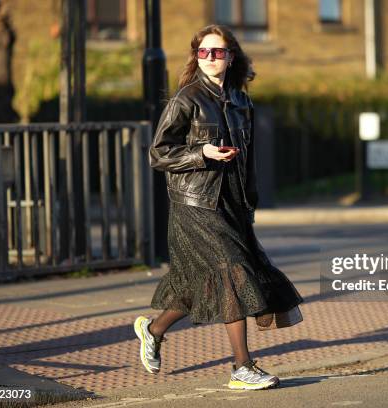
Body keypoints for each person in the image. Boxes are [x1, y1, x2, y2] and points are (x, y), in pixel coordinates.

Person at [133, 24, 304, 391]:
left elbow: (250, 159)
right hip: (194, 203)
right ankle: (242, 367)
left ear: (231, 57)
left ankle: (153, 329)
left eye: (219, 52)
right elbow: (158, 153)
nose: (211, 58)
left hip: (232, 201)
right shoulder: (186, 99)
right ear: (197, 58)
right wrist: (201, 152)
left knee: (200, 285)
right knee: (232, 274)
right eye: (204, 52)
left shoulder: (242, 102)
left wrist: (250, 201)